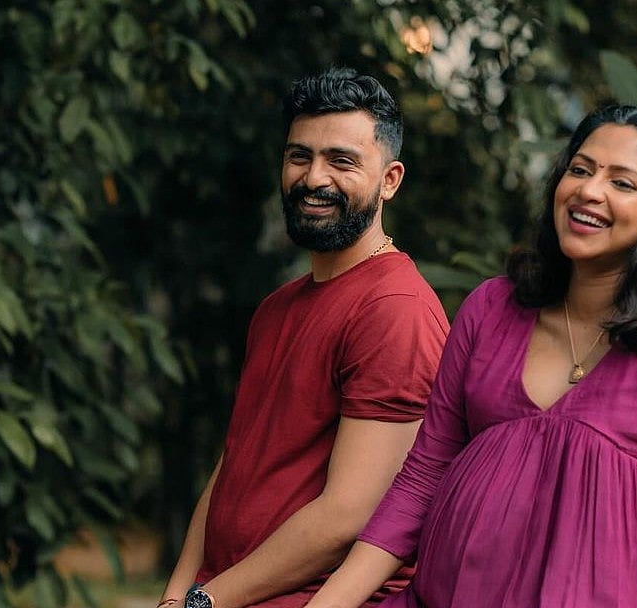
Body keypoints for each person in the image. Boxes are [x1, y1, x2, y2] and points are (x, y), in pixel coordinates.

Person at [304, 105, 637, 608]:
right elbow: (422, 478)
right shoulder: (492, 307)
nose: (589, 190)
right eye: (580, 170)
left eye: (623, 183)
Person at [158, 68, 450, 608]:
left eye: (341, 161)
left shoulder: (395, 310)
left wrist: (205, 601)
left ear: (390, 180)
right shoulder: (276, 308)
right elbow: (233, 466)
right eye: (299, 156)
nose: (314, 178)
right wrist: (178, 595)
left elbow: (350, 515)